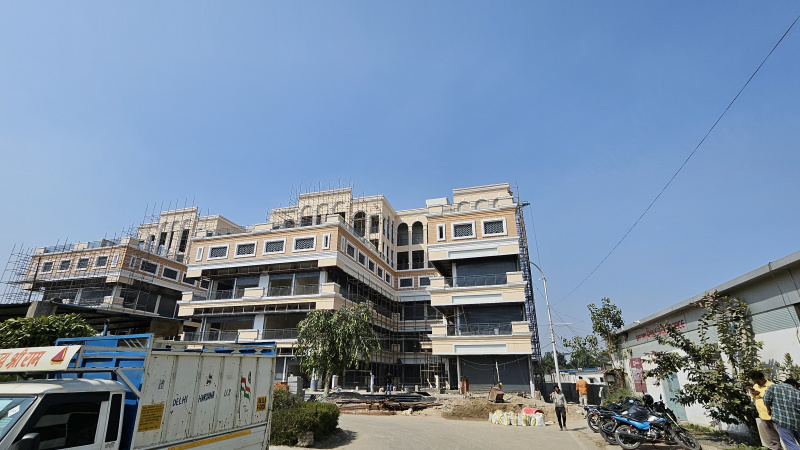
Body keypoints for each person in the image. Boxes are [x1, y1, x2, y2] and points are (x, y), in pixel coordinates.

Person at [748, 371, 781, 450]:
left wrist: (759, 394)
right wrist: (753, 393)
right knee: (771, 435)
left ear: (762, 378)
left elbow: (774, 398)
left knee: (781, 433)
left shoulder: (771, 386)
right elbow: (753, 398)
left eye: (758, 381)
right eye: (755, 382)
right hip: (762, 414)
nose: (757, 383)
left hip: (773, 414)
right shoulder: (756, 386)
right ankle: (775, 448)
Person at [764, 379, 800, 450]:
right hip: (797, 422)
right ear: (795, 386)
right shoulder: (798, 393)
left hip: (782, 422)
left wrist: (768, 409)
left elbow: (766, 400)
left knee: (790, 443)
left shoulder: (773, 387)